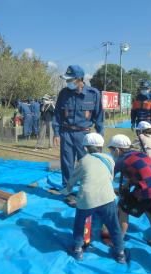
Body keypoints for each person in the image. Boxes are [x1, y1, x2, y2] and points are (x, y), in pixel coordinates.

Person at [62, 133, 125, 263]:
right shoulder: (109, 159)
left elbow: (72, 180)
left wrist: (65, 191)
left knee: (79, 224)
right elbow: (110, 177)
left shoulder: (83, 161)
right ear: (101, 146)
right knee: (114, 225)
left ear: (85, 148)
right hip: (107, 198)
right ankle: (120, 253)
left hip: (87, 199)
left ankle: (78, 249)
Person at [53, 65, 103, 205]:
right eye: (66, 79)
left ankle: (86, 190)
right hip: (66, 133)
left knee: (87, 164)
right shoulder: (64, 93)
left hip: (84, 134)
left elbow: (99, 117)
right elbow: (57, 114)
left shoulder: (94, 94)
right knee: (67, 163)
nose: (67, 82)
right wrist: (56, 132)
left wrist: (100, 136)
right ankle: (69, 192)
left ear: (79, 79)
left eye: (70, 79)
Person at [107, 134, 151, 251]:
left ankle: (118, 241)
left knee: (122, 208)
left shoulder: (121, 160)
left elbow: (108, 176)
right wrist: (126, 186)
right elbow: (137, 173)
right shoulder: (137, 154)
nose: (111, 153)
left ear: (118, 150)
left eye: (111, 150)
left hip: (146, 190)